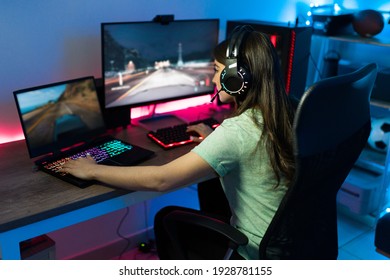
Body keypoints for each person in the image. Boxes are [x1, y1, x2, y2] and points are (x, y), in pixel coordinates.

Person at [62, 27, 295, 260]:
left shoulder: (237, 131)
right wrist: (214, 139)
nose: (214, 79)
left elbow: (161, 180)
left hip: (255, 252)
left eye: (217, 70)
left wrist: (92, 170)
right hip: (293, 245)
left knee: (165, 218)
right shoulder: (289, 112)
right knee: (209, 186)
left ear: (237, 78)